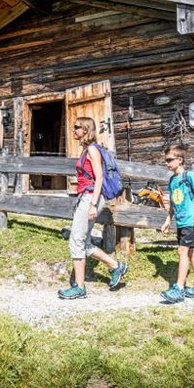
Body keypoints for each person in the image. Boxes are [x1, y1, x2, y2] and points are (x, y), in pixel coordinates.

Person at [58, 117, 128, 299]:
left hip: (91, 197)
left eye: (76, 127)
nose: (73, 130)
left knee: (76, 240)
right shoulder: (86, 150)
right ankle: (115, 266)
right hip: (87, 196)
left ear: (86, 129)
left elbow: (99, 178)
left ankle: (80, 287)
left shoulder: (92, 149)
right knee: (83, 241)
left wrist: (92, 204)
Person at [159, 145, 194, 303]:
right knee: (191, 253)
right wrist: (168, 220)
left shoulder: (189, 176)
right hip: (181, 222)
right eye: (166, 160)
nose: (166, 163)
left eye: (169, 160)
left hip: (191, 221)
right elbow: (174, 203)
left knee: (182, 251)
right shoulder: (172, 180)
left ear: (180, 160)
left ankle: (179, 288)